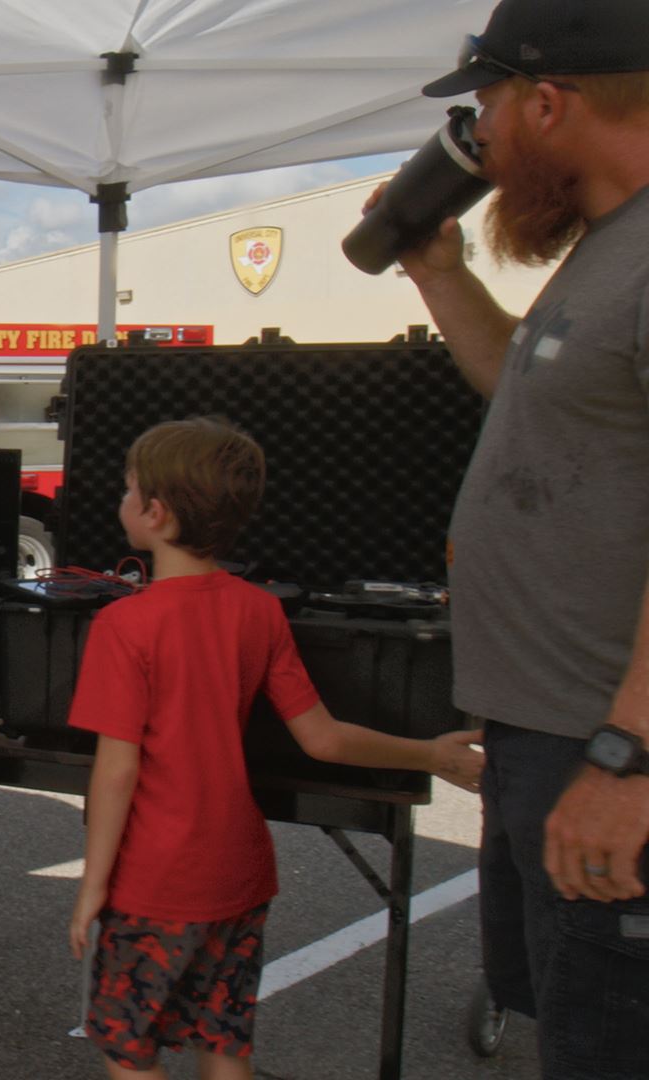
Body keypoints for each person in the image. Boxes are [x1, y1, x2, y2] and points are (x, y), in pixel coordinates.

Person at [370, 2, 649, 1073]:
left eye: (483, 105)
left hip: (605, 749)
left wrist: (626, 761)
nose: (474, 136)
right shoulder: (606, 249)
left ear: (547, 103)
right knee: (564, 1024)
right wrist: (438, 272)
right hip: (549, 739)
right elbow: (528, 391)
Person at [64, 419, 484, 1080]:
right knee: (223, 1040)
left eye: (128, 489)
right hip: (240, 874)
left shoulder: (123, 625)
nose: (121, 500)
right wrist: (432, 755)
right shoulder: (259, 611)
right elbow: (323, 738)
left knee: (129, 1048)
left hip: (155, 881)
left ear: (156, 512)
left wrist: (93, 885)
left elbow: (116, 771)